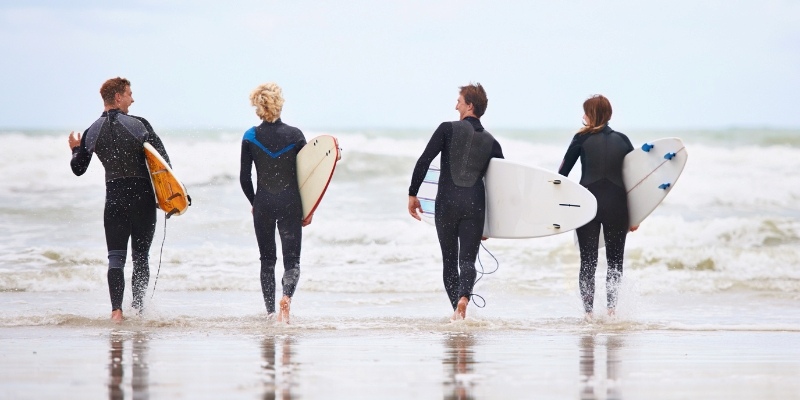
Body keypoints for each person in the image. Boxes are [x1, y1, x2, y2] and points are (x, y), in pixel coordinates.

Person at [68, 77, 172, 322]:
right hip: (142, 199)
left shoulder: (92, 131)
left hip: (114, 199)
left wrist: (75, 149)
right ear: (118, 97)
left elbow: (78, 169)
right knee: (140, 257)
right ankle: (138, 310)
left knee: (115, 257)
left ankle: (116, 312)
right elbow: (164, 163)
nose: (132, 99)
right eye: (129, 94)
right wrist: (169, 197)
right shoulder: (139, 125)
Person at [407, 83, 504, 321]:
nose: (455, 105)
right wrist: (489, 222)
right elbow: (500, 184)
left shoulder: (447, 129)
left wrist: (413, 193)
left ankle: (457, 314)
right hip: (475, 205)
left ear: (470, 105)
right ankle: (463, 300)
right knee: (468, 261)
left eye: (459, 101)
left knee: (450, 261)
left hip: (447, 203)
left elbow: (424, 160)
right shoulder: (492, 142)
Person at [558, 94, 637, 320]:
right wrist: (636, 216)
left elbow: (562, 174)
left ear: (591, 114)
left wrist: (559, 207)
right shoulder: (623, 140)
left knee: (588, 261)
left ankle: (589, 315)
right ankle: (612, 312)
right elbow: (636, 179)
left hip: (588, 207)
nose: (582, 116)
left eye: (585, 111)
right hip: (618, 206)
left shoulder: (580, 140)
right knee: (615, 262)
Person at [240, 82, 310, 323]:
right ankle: (287, 299)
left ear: (257, 106)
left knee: (267, 261)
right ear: (279, 103)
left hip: (264, 205)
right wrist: (308, 207)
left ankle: (270, 313)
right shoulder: (296, 135)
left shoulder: (250, 136)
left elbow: (244, 178)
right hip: (291, 202)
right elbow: (310, 175)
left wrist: (255, 202)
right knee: (292, 261)